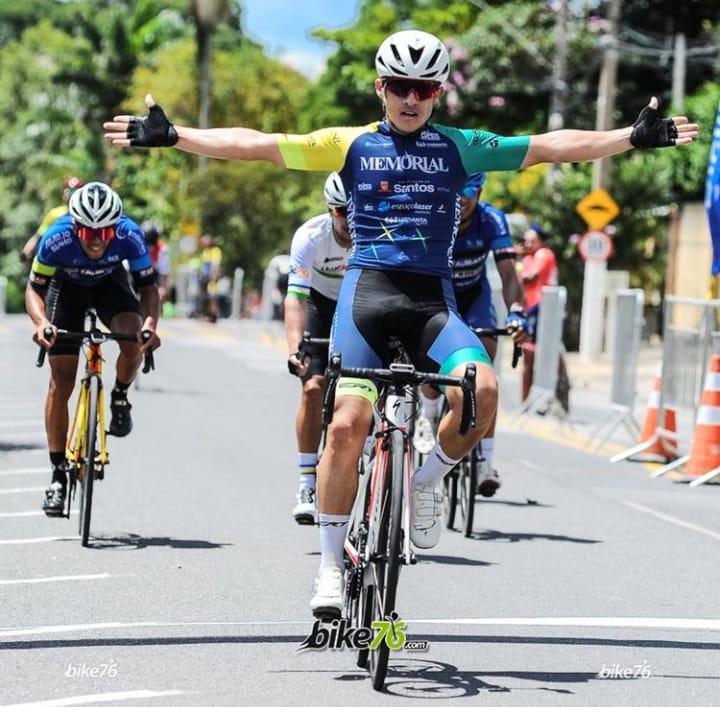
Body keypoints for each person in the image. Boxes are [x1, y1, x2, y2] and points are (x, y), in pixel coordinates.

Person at [103, 28, 698, 617]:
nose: (410, 100)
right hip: (368, 298)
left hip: (431, 304)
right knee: (346, 426)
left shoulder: (462, 146)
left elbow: (548, 145)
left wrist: (629, 138)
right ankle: (331, 567)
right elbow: (258, 143)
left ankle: (424, 481)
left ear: (438, 93)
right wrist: (176, 136)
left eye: (424, 89)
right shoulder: (350, 143)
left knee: (482, 391)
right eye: (399, 87)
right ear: (380, 88)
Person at [25, 182, 161, 516]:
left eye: (105, 232)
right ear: (75, 227)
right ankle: (58, 474)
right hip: (66, 289)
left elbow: (148, 288)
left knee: (132, 341)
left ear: (116, 227)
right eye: (88, 233)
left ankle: (119, 396)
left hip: (108, 286)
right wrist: (41, 322)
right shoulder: (56, 238)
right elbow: (34, 289)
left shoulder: (129, 236)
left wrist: (150, 327)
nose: (98, 240)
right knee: (62, 381)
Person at [415, 172, 526, 497]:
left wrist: (516, 311)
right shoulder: (433, 213)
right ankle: (429, 411)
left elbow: (507, 273)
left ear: (480, 192)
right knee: (429, 352)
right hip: (440, 294)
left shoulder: (492, 219)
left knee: (484, 376)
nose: (462, 200)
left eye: (470, 193)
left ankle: (485, 462)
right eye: (457, 192)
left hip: (474, 296)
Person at [286, 173, 352, 525]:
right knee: (313, 388)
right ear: (331, 209)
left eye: (356, 211)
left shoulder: (374, 231)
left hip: (359, 306)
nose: (350, 221)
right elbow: (295, 299)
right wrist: (296, 347)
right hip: (319, 305)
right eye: (342, 212)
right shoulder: (311, 237)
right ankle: (306, 482)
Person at [520, 223, 569, 409]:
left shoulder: (543, 255)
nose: (528, 243)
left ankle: (557, 396)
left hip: (543, 309)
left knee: (546, 354)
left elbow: (531, 277)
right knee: (529, 355)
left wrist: (511, 274)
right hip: (531, 308)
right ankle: (526, 403)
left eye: (532, 240)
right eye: (526, 240)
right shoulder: (528, 258)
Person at [21, 177, 85, 264]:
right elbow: (39, 235)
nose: (72, 196)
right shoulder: (55, 214)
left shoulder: (89, 215)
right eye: (69, 192)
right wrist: (26, 252)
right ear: (63, 194)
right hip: (59, 259)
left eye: (77, 192)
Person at [141, 220, 170, 302]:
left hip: (153, 276)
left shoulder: (163, 249)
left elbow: (163, 272)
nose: (150, 246)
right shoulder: (137, 246)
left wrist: (162, 289)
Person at [199, 234, 222, 322]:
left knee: (212, 296)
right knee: (206, 297)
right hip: (205, 278)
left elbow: (215, 264)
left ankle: (214, 315)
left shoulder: (215, 251)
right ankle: (207, 314)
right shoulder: (205, 251)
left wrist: (214, 276)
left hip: (212, 278)